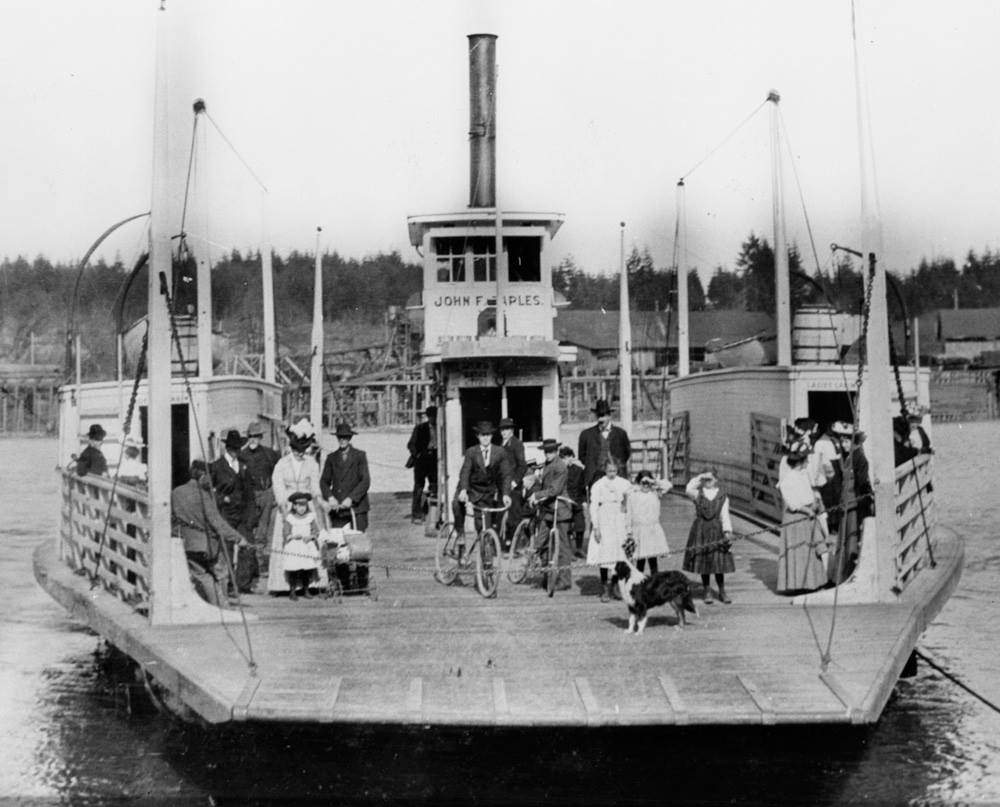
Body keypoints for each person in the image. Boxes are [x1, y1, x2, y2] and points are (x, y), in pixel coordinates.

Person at [171, 460, 242, 607]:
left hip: (187, 542)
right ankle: (221, 606)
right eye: (209, 476)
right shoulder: (203, 495)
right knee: (220, 573)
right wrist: (238, 538)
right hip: (207, 544)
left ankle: (214, 604)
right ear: (202, 475)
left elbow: (172, 518)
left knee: (200, 573)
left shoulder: (176, 492)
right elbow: (217, 522)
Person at [267, 419, 325, 594]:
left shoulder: (311, 464)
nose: (301, 453)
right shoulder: (282, 464)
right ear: (291, 449)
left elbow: (315, 487)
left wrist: (320, 500)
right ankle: (284, 585)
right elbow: (278, 486)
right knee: (288, 542)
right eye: (297, 450)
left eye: (303, 449)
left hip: (306, 508)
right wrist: (284, 506)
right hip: (289, 506)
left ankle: (312, 583)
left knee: (309, 543)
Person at [320, 422, 372, 591]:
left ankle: (363, 582)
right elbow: (324, 481)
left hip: (356, 508)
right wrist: (330, 497)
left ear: (350, 438)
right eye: (340, 437)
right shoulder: (331, 458)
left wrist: (352, 498)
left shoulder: (359, 456)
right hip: (338, 510)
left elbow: (365, 481)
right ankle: (344, 583)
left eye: (345, 437)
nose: (343, 440)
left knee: (359, 545)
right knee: (339, 544)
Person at [775, 446, 830, 593]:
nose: (807, 463)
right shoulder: (787, 480)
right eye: (806, 460)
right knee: (799, 550)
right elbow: (793, 503)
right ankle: (797, 584)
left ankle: (813, 583)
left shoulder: (803, 475)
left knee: (812, 549)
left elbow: (809, 494)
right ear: (800, 462)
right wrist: (807, 510)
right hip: (797, 518)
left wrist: (815, 504)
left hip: (809, 514)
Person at [454, 421, 512, 555]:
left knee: (483, 526)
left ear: (492, 436)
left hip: (487, 492)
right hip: (470, 487)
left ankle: (486, 559)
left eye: (488, 435)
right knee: (456, 504)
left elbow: (506, 474)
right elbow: (465, 472)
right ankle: (460, 534)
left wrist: (506, 494)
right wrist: (463, 490)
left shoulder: (500, 452)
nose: (485, 438)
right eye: (482, 435)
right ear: (478, 436)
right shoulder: (471, 452)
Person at [682, 469, 735, 604]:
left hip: (716, 529)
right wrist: (700, 476)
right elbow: (688, 488)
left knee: (718, 562)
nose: (707, 482)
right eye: (705, 480)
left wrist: (728, 531)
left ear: (716, 480)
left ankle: (722, 591)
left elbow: (725, 516)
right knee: (704, 560)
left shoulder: (723, 496)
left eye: (710, 479)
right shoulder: (697, 493)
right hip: (700, 529)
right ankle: (707, 590)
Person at [527, 438, 573, 591]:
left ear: (557, 451)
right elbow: (543, 485)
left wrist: (537, 496)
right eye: (546, 451)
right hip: (548, 509)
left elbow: (555, 490)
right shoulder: (547, 464)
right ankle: (547, 576)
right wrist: (534, 495)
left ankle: (564, 580)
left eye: (551, 451)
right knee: (542, 543)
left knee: (563, 547)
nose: (548, 454)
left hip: (560, 510)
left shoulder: (561, 466)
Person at [587, 458, 631, 602]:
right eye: (609, 470)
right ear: (605, 470)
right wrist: (596, 527)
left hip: (619, 518)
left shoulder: (624, 483)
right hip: (604, 517)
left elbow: (629, 503)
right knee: (605, 554)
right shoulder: (598, 485)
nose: (612, 473)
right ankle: (604, 587)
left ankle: (616, 585)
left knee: (619, 553)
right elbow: (593, 506)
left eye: (614, 471)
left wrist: (628, 524)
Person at [240, 421, 281, 546]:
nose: (253, 440)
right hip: (249, 494)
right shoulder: (242, 455)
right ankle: (249, 548)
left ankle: (260, 549)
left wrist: (274, 491)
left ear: (261, 437)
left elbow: (278, 471)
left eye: (256, 436)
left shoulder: (269, 454)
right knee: (249, 523)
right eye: (251, 437)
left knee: (264, 525)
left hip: (266, 493)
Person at [578, 399, 631, 491]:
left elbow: (626, 454)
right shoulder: (586, 434)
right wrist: (593, 467)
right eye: (598, 416)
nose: (600, 419)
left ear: (609, 416)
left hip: (616, 476)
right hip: (595, 477)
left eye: (603, 416)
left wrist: (615, 467)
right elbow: (582, 456)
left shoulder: (621, 433)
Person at [281, 491, 322, 601]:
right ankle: (292, 590)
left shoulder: (310, 517)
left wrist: (311, 537)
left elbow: (316, 531)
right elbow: (286, 532)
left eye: (304, 506)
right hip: (294, 545)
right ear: (294, 506)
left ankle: (306, 589)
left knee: (307, 568)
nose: (302, 508)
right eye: (299, 506)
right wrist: (293, 536)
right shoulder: (290, 518)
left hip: (306, 545)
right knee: (294, 569)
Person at [629, 470, 671, 574]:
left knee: (653, 560)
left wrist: (653, 481)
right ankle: (639, 582)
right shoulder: (634, 495)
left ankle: (655, 582)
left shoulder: (655, 493)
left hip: (652, 530)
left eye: (648, 483)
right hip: (639, 530)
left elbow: (668, 485)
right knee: (640, 560)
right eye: (643, 483)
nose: (646, 485)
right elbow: (629, 514)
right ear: (639, 483)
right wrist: (629, 531)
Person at [498, 417, 527, 546]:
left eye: (507, 429)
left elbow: (522, 466)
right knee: (501, 515)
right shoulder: (501, 444)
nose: (504, 432)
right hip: (502, 486)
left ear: (512, 430)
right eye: (502, 429)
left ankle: (515, 545)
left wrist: (515, 482)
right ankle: (504, 543)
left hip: (513, 487)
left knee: (514, 516)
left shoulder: (516, 444)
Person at [406, 405, 438, 524]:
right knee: (419, 487)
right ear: (428, 417)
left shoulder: (441, 427)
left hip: (435, 460)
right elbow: (411, 444)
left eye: (435, 416)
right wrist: (417, 455)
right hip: (422, 460)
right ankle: (416, 515)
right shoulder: (420, 428)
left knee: (435, 487)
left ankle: (430, 513)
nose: (433, 419)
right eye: (431, 417)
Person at [558, 445, 587, 558]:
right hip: (565, 503)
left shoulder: (579, 470)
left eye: (567, 457)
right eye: (563, 458)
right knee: (567, 528)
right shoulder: (560, 470)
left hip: (577, 501)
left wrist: (584, 501)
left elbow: (582, 487)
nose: (565, 460)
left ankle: (579, 549)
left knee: (581, 526)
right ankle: (568, 551)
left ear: (571, 457)